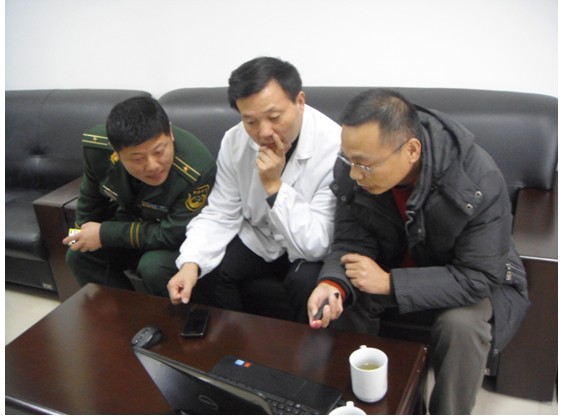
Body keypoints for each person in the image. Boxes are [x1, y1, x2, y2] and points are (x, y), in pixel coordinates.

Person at [307, 89, 530, 414]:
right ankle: (364, 403)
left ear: (411, 150)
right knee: (347, 301)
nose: (355, 174)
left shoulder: (477, 179)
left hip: (468, 275)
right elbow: (350, 243)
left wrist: (389, 283)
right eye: (349, 160)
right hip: (396, 264)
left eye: (365, 165)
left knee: (461, 327)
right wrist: (333, 283)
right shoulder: (354, 169)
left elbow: (479, 277)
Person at [167, 57, 341, 323]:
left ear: (300, 101)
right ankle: (236, 343)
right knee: (209, 271)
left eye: (274, 117)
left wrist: (274, 186)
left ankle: (306, 350)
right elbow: (221, 212)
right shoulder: (234, 141)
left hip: (309, 247)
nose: (264, 132)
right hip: (261, 236)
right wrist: (191, 262)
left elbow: (317, 244)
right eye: (250, 121)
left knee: (307, 285)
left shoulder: (334, 146)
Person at [63, 96, 216, 296]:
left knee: (152, 266)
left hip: (175, 239)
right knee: (77, 255)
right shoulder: (97, 147)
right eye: (137, 159)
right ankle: (123, 312)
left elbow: (172, 233)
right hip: (132, 226)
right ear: (116, 151)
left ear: (170, 133)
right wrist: (77, 237)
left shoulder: (196, 168)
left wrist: (104, 233)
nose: (152, 166)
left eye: (159, 152)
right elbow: (89, 201)